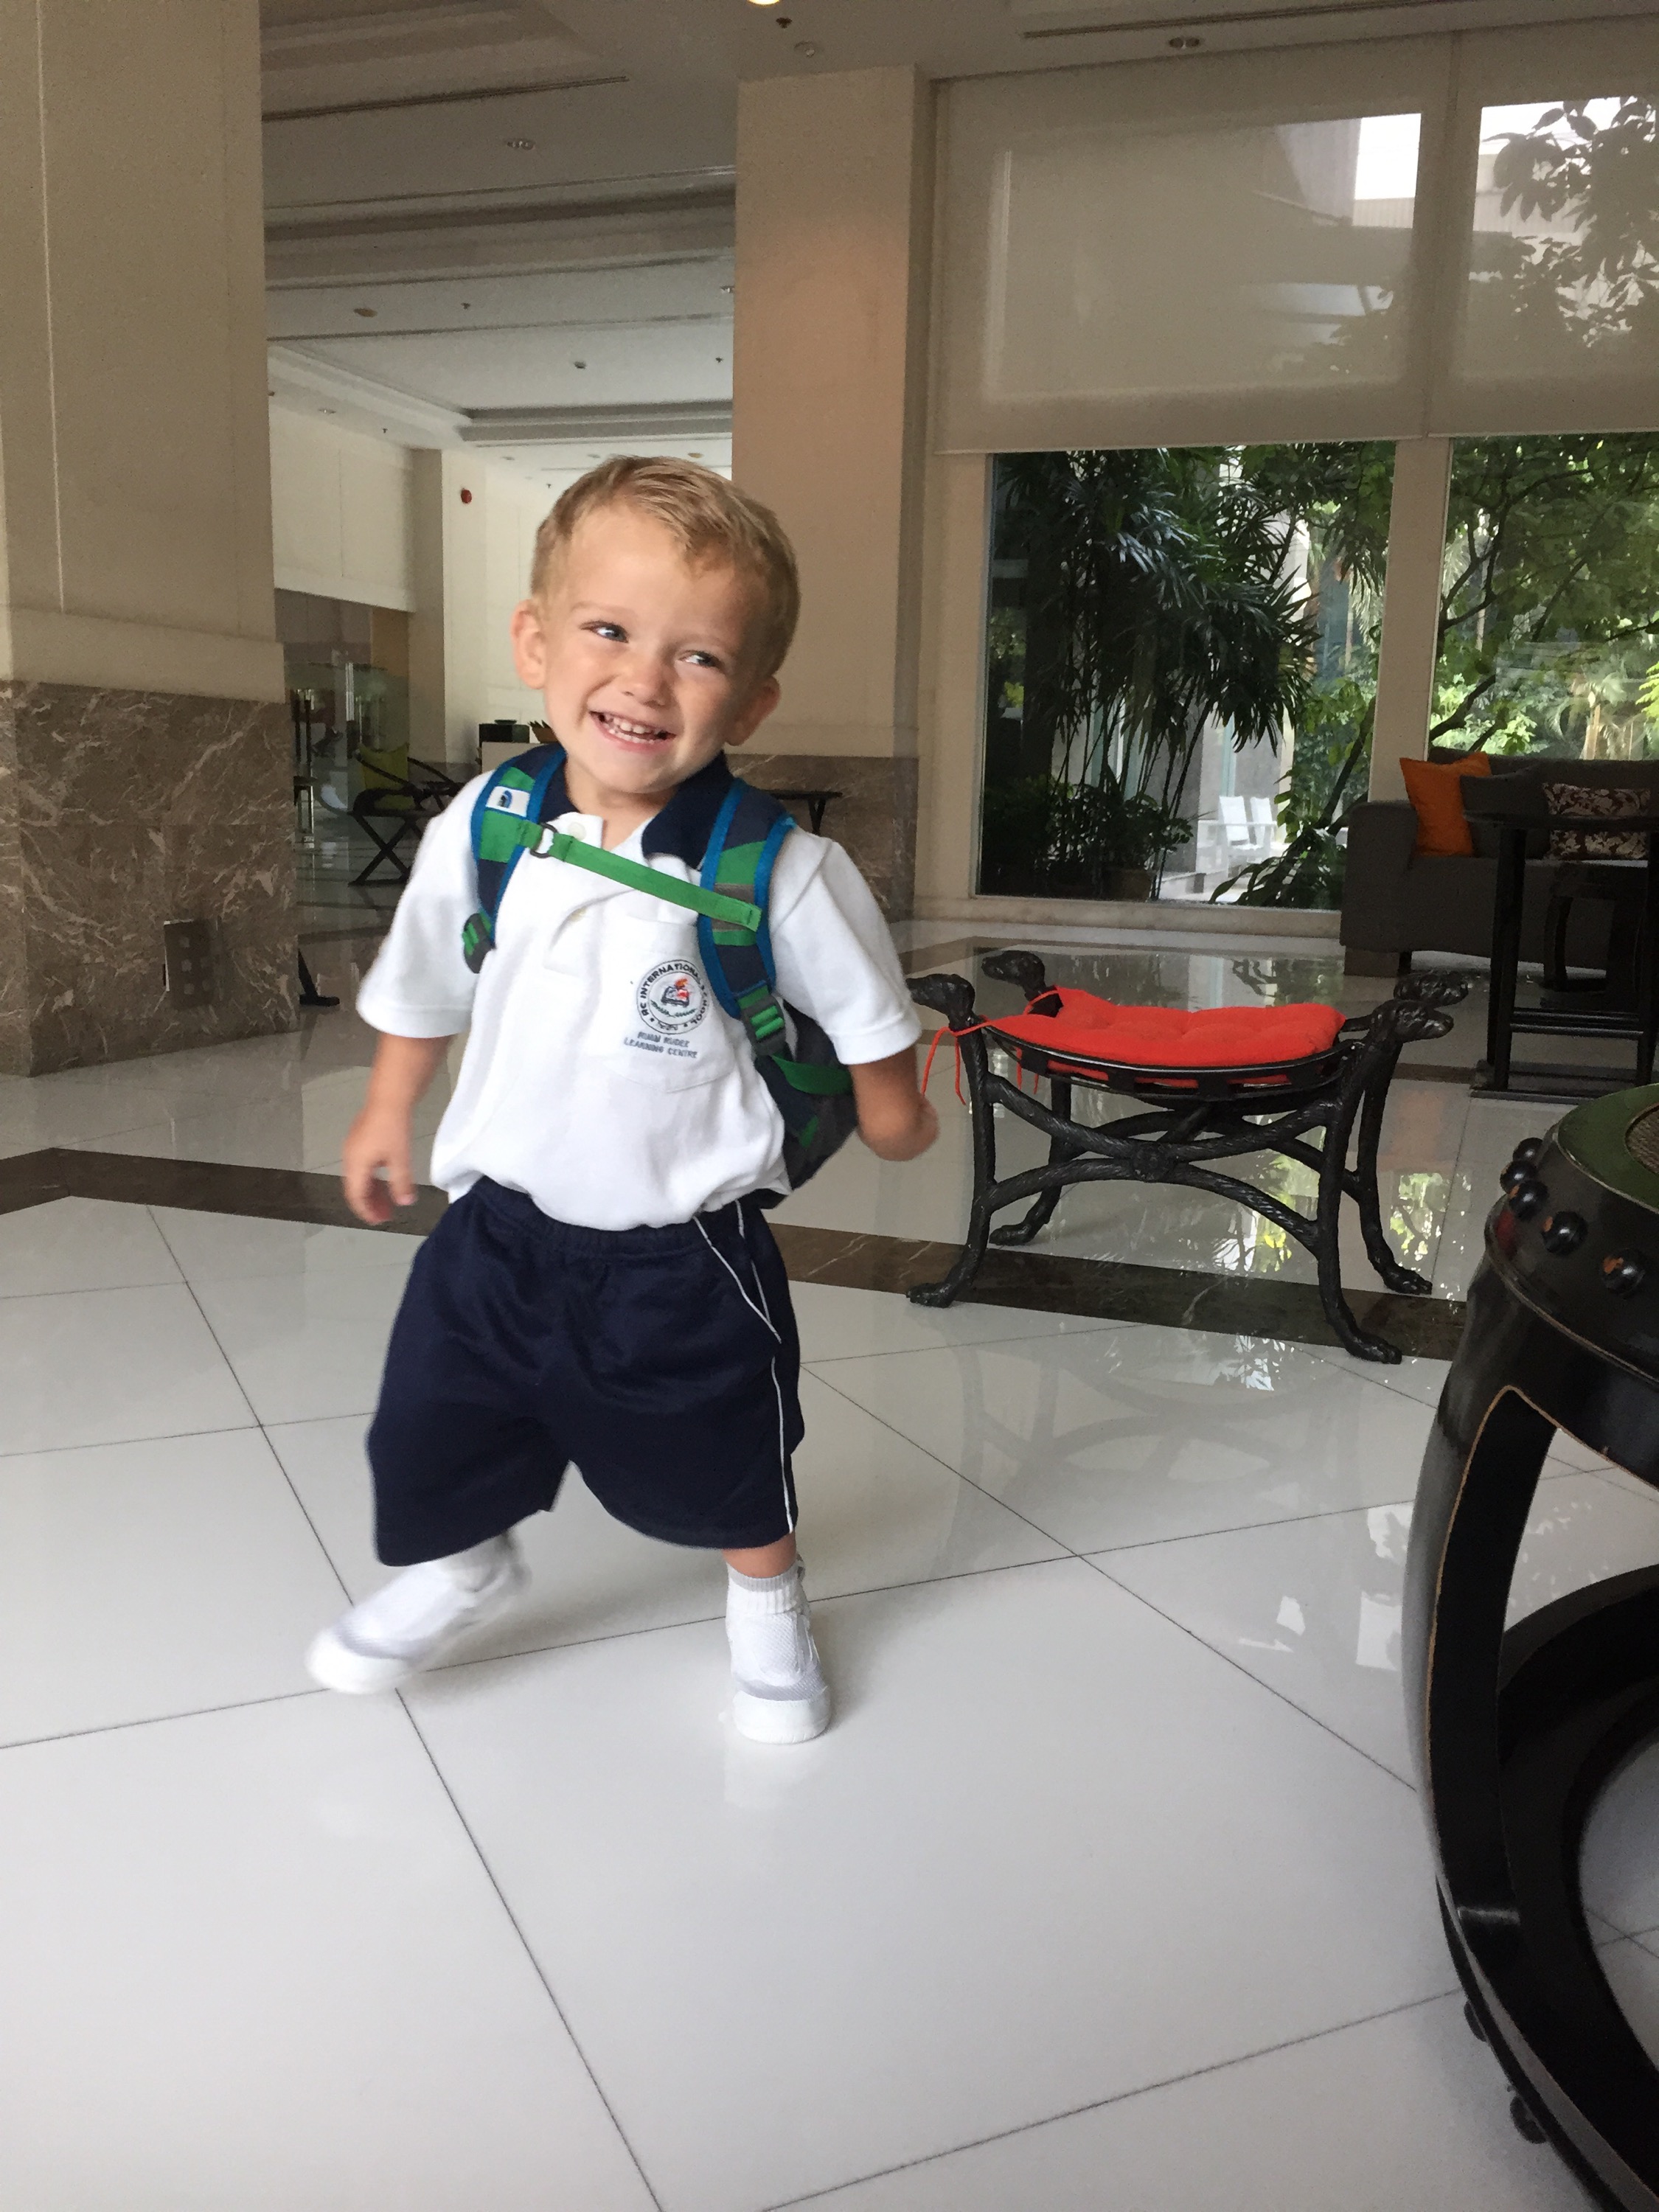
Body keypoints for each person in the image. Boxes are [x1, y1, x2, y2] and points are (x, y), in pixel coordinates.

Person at [305, 457, 938, 1742]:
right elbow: (423, 981)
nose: (645, 680)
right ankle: (458, 1566)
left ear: (750, 700)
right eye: (608, 630)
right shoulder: (486, 822)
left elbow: (871, 1010)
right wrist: (385, 1109)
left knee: (724, 1450)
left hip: (681, 1253)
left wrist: (892, 1112)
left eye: (697, 657)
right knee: (434, 1421)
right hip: (494, 1230)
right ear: (536, 642)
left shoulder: (779, 868)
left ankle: (765, 1600)